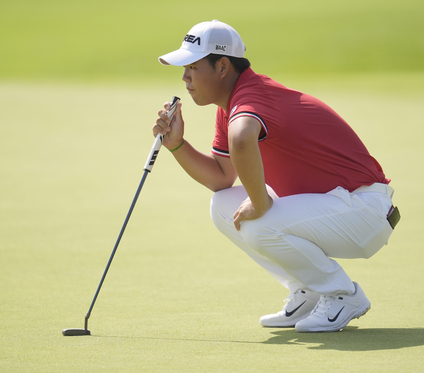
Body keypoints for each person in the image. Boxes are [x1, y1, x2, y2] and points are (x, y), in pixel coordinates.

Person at [153, 20, 400, 332]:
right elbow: (220, 178)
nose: (185, 77)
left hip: (364, 210)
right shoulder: (230, 106)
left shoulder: (252, 98)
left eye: (193, 67)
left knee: (260, 221)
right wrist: (177, 145)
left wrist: (259, 203)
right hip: (336, 207)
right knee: (223, 205)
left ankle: (342, 295)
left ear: (223, 66)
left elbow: (242, 140)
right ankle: (308, 289)